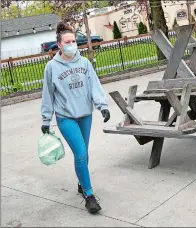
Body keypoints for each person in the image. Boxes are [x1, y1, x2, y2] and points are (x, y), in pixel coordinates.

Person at [40, 21, 110, 214]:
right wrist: (46, 119)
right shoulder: (51, 67)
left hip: (85, 115)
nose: (72, 44)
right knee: (80, 154)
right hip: (66, 118)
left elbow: (94, 86)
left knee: (84, 154)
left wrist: (102, 106)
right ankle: (89, 195)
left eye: (74, 41)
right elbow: (48, 95)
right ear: (60, 45)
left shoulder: (85, 63)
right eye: (67, 41)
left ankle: (81, 182)